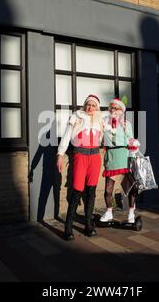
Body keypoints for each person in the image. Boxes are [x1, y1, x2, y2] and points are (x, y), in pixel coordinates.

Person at [57, 94, 104, 240]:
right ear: (85, 105)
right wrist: (60, 154)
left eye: (93, 105)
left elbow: (106, 136)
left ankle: (88, 226)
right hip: (80, 156)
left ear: (97, 107)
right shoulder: (76, 117)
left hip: (95, 157)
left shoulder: (100, 120)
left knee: (91, 191)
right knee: (77, 190)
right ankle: (68, 228)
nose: (90, 107)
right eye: (88, 104)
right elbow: (66, 136)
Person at [100, 98, 139, 224]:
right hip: (111, 156)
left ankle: (131, 213)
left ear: (121, 111)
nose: (113, 110)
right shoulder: (104, 124)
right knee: (108, 189)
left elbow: (131, 139)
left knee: (130, 186)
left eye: (116, 108)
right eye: (111, 108)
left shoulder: (127, 124)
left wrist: (134, 147)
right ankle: (109, 212)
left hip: (124, 155)